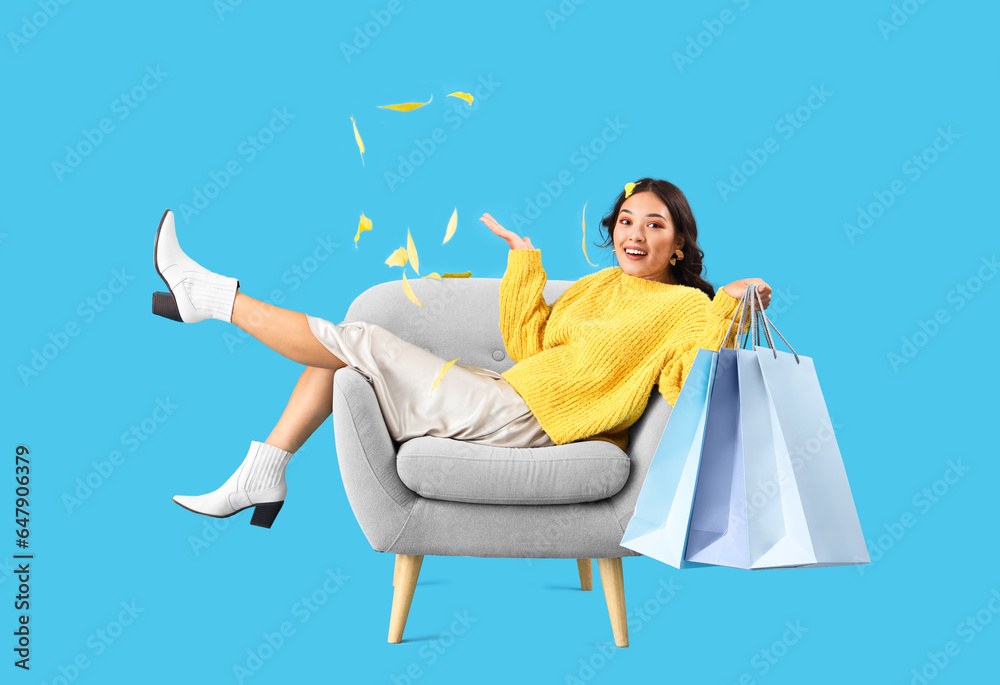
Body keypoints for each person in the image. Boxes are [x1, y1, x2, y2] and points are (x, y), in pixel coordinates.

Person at [155, 177, 771, 529]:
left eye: (655, 224)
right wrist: (525, 262)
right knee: (343, 359)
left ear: (681, 247)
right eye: (626, 220)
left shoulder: (687, 308)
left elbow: (690, 381)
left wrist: (731, 309)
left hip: (532, 421)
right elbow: (528, 344)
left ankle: (208, 297)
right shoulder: (596, 286)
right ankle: (265, 468)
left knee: (361, 339)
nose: (634, 234)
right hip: (503, 396)